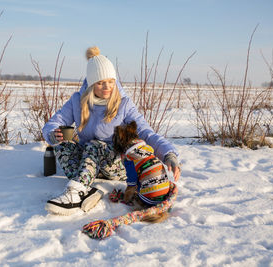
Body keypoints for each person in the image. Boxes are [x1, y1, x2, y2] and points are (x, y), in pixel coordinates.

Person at [42, 46, 181, 215]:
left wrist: (168, 154)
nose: (107, 87)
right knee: (62, 145)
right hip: (89, 163)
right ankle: (88, 189)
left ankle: (75, 192)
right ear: (92, 84)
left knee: (95, 145)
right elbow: (53, 123)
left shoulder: (124, 104)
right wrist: (53, 135)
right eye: (100, 83)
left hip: (115, 164)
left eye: (111, 81)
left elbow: (146, 132)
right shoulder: (77, 101)